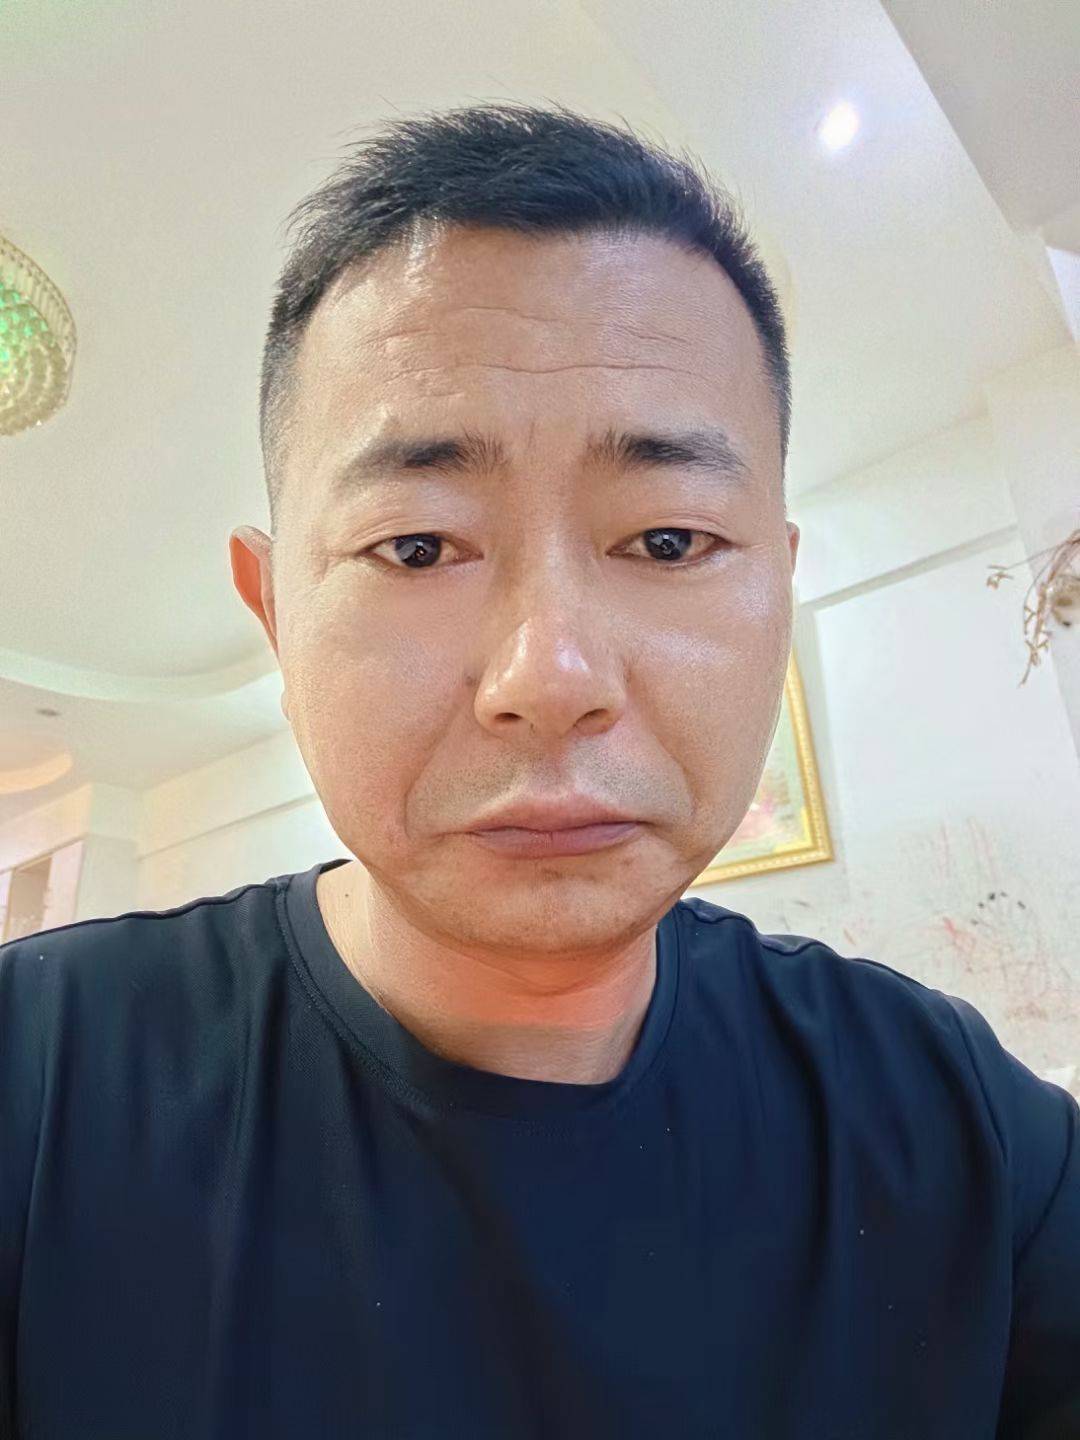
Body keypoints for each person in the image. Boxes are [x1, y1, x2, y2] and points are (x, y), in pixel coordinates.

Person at [1, 101, 1077, 1439]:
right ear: (273, 610)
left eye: (670, 541)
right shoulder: (38, 1083)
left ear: (780, 589)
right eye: (417, 547)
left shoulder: (959, 1129)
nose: (550, 677)